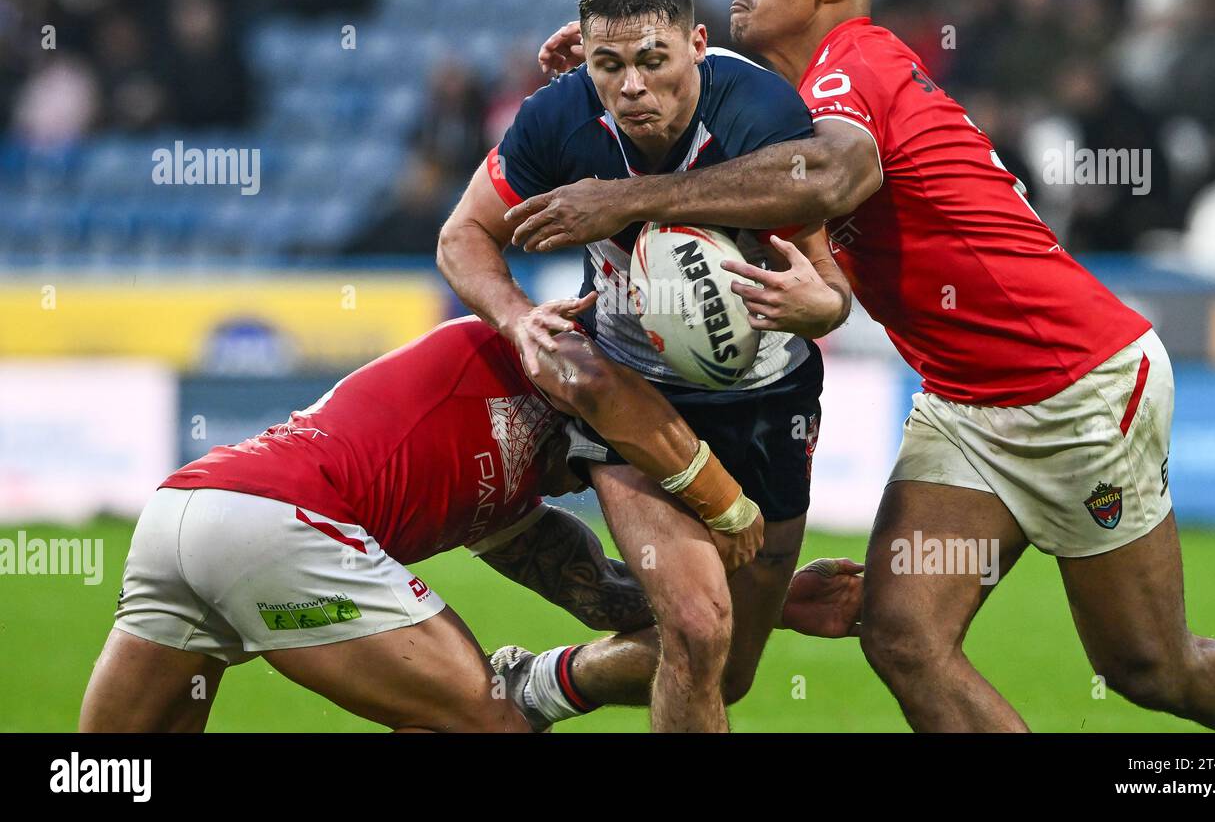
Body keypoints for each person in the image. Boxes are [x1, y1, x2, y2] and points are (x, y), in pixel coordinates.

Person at [514, 0, 1215, 732]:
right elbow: (722, 134)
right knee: (900, 634)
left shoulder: (855, 60)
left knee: (1149, 666)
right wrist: (614, 74)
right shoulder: (788, 101)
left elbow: (827, 177)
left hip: (1076, 383)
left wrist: (625, 198)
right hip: (965, 403)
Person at [437, 0, 852, 732]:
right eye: (609, 65)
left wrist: (817, 307)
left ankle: (543, 683)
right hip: (632, 394)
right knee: (696, 627)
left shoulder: (760, 115)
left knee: (729, 671)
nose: (632, 86)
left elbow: (832, 291)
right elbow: (462, 236)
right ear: (583, 60)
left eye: (653, 60)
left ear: (698, 44)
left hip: (769, 395)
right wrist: (516, 315)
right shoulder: (559, 118)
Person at [81, 309, 829, 733]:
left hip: (184, 513)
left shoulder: (509, 496)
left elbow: (602, 591)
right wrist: (720, 494)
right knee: (489, 722)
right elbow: (608, 388)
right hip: (277, 521)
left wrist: (767, 604)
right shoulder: (557, 361)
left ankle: (524, 684)